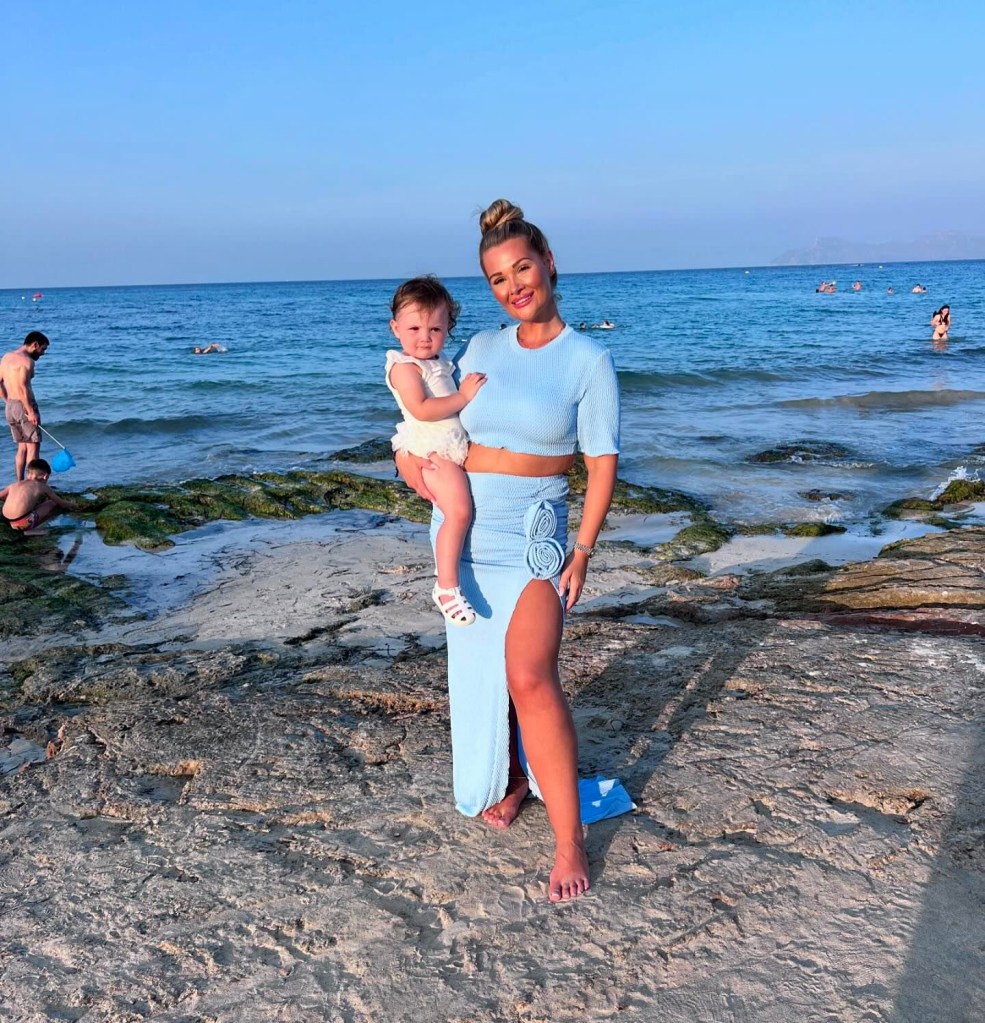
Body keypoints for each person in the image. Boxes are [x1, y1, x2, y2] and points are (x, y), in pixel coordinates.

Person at [396, 200, 620, 902]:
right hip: (461, 533)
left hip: (531, 538)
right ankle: (513, 778)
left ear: (549, 263)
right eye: (496, 278)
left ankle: (568, 839)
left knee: (528, 674)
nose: (513, 285)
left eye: (521, 267)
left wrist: (582, 549)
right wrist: (409, 470)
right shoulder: (480, 349)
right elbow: (425, 418)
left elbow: (601, 462)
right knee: (480, 673)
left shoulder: (587, 360)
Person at [385, 275, 487, 626]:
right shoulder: (404, 367)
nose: (424, 338)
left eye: (435, 329)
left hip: (448, 448)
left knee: (455, 513)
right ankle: (446, 587)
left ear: (449, 328)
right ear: (395, 328)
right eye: (414, 328)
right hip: (432, 450)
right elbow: (421, 408)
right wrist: (464, 397)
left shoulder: (439, 362)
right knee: (458, 512)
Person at [0, 331, 49, 480]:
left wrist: (7, 401)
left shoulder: (6, 357)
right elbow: (22, 388)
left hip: (11, 407)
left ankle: (19, 483)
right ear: (35, 345)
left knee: (21, 448)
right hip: (25, 406)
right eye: (43, 349)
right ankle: (31, 486)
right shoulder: (27, 362)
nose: (43, 353)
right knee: (33, 448)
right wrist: (30, 412)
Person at [0, 458, 72, 535]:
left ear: (28, 474)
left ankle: (23, 528)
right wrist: (72, 504)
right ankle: (30, 531)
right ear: (45, 476)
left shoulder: (14, 485)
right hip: (22, 524)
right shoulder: (42, 486)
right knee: (52, 503)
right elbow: (62, 503)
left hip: (8, 522)